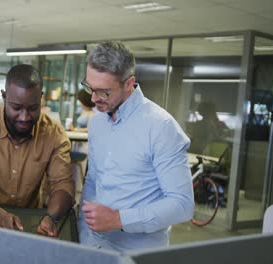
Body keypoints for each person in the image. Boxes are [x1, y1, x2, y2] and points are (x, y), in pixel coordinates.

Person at [78, 41, 194, 252]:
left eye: (103, 92)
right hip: (95, 247)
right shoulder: (97, 123)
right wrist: (84, 236)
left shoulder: (161, 127)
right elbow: (94, 183)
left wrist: (119, 219)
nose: (94, 99)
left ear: (129, 83)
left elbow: (182, 205)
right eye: (89, 88)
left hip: (139, 253)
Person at [0, 64, 74, 237]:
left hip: (28, 227)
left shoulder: (54, 134)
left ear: (41, 98)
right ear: (4, 97)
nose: (24, 117)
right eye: (16, 108)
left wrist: (51, 217)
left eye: (33, 108)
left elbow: (62, 183)